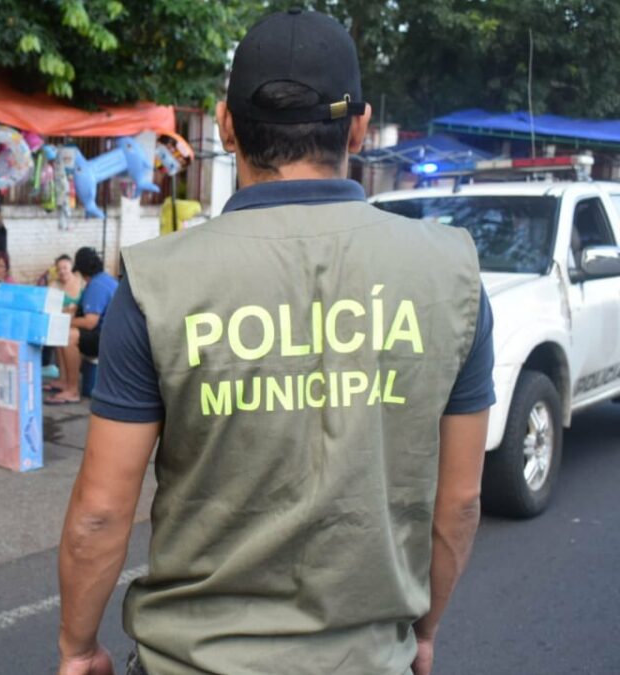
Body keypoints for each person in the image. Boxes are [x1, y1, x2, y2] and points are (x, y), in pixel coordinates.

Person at [56, 10, 494, 675]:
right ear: (358, 125)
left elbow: (100, 514)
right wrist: (422, 630)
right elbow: (458, 501)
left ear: (227, 125)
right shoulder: (452, 274)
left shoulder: (156, 283)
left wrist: (78, 646)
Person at [46, 247, 117, 405]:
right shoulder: (104, 279)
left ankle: (72, 391)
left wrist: (66, 320)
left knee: (69, 335)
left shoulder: (96, 285)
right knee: (62, 330)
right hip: (112, 331)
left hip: (111, 336)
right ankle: (65, 380)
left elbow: (90, 322)